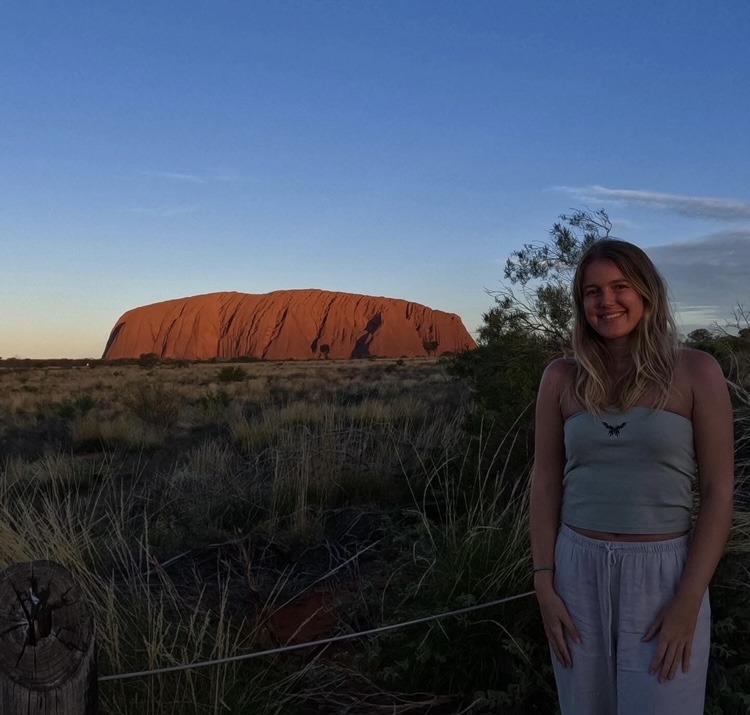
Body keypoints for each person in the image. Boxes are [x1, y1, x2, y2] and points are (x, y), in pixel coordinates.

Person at [530, 238, 734, 715]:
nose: (606, 301)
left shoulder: (695, 371)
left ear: (646, 292)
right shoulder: (561, 378)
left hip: (665, 574)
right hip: (575, 571)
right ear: (581, 305)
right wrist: (544, 582)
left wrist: (689, 598)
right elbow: (543, 482)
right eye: (592, 292)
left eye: (620, 286)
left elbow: (720, 492)